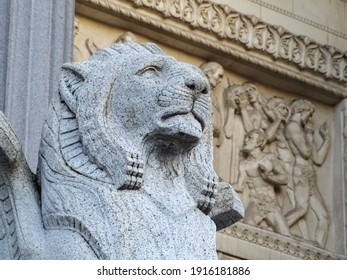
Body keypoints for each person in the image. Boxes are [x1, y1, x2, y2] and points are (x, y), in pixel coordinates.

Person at [284, 99, 330, 247]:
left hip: (311, 176)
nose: (308, 119)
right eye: (308, 115)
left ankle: (319, 250)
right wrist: (310, 134)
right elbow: (305, 152)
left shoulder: (303, 130)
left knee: (324, 216)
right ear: (300, 110)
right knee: (301, 209)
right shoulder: (292, 126)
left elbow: (317, 158)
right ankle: (280, 229)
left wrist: (327, 139)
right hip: (300, 174)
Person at [234, 129, 291, 236]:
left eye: (250, 138)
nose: (245, 140)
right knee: (247, 230)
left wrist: (268, 177)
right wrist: (222, 183)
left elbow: (285, 179)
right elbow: (240, 186)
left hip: (271, 204)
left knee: (286, 237)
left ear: (259, 143)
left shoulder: (269, 158)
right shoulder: (244, 164)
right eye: (246, 137)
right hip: (255, 202)